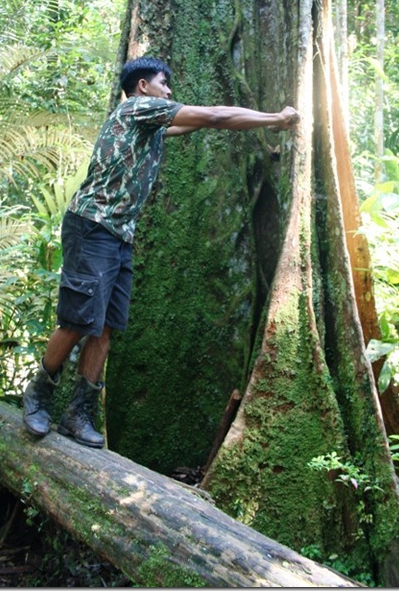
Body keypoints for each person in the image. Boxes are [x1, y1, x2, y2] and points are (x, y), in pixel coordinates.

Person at [23, 56, 300, 448]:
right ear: (142, 88)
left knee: (104, 328)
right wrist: (276, 118)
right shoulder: (135, 109)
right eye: (163, 84)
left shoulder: (149, 127)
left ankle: (77, 413)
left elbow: (195, 124)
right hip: (92, 226)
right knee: (77, 320)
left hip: (119, 235)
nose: (168, 91)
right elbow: (215, 117)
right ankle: (38, 396)